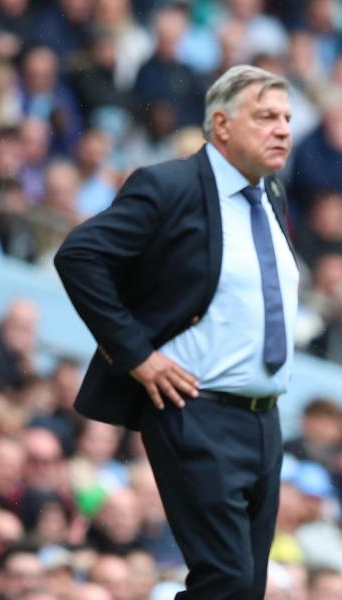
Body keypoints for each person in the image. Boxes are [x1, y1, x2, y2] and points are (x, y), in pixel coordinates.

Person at [54, 64, 299, 598]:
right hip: (197, 409)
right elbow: (80, 256)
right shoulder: (171, 184)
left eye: (286, 117)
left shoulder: (271, 197)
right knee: (226, 581)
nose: (282, 129)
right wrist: (137, 356)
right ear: (222, 124)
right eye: (265, 117)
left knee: (245, 589)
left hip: (264, 421)